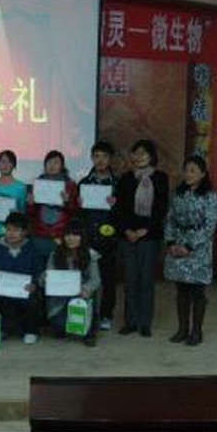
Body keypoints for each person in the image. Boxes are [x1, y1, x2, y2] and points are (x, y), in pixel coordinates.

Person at [114, 139, 169, 338]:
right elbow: (119, 208)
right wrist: (128, 230)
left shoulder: (160, 178)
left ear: (152, 156)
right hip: (127, 236)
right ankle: (130, 321)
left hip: (149, 236)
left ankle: (145, 322)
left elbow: (161, 208)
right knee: (130, 280)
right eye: (136, 153)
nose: (139, 157)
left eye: (144, 153)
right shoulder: (125, 178)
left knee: (146, 280)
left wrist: (145, 230)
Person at [164, 156, 217, 346]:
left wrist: (189, 246)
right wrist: (171, 242)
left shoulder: (210, 195)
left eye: (193, 170)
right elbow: (170, 219)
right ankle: (182, 329)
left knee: (197, 290)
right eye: (186, 170)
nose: (188, 174)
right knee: (181, 290)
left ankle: (196, 331)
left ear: (203, 173)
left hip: (198, 249)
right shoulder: (178, 193)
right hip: (177, 245)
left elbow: (209, 225)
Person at [78, 141, 119, 331]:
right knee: (87, 279)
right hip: (88, 238)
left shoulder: (117, 184)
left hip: (109, 240)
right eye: (96, 156)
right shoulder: (83, 183)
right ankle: (88, 312)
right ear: (92, 158)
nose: (100, 160)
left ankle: (106, 315)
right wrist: (78, 204)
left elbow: (123, 213)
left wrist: (115, 205)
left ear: (110, 159)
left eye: (104, 156)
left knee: (108, 280)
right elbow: (78, 215)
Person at [0, 212, 44, 344]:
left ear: (24, 232)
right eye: (8, 229)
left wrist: (34, 284)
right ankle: (5, 328)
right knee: (1, 309)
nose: (11, 233)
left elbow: (38, 272)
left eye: (16, 230)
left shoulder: (32, 249)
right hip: (3, 294)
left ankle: (31, 331)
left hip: (25, 292)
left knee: (33, 300)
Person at [44, 219, 101, 346]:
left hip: (81, 295)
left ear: (82, 237)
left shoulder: (90, 254)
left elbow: (95, 279)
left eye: (75, 235)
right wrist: (45, 278)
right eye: (67, 235)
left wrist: (85, 289)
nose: (70, 238)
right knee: (59, 328)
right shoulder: (55, 254)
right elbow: (45, 278)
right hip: (60, 298)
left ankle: (90, 332)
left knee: (93, 292)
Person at [27, 150, 78, 263]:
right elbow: (31, 213)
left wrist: (67, 201)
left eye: (56, 162)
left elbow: (74, 212)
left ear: (62, 166)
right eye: (49, 162)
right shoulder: (37, 183)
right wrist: (30, 204)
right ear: (45, 165)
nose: (52, 165)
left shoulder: (70, 185)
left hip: (60, 233)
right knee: (39, 266)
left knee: (58, 266)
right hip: (40, 233)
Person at [0, 150, 27, 241]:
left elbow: (23, 212)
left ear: (14, 165)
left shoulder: (21, 187)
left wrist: (17, 213)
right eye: (3, 161)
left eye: (9, 162)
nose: (5, 165)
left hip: (12, 234)